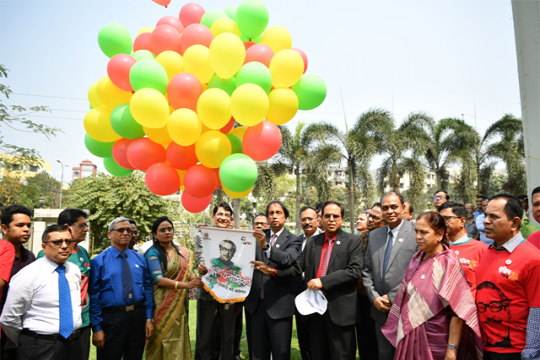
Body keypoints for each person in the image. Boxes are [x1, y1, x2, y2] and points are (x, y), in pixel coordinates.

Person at [252, 201, 364, 360]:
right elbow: (296, 268)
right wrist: (273, 271)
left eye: (335, 216)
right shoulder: (312, 242)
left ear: (342, 218)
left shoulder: (353, 241)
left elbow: (354, 271)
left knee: (341, 355)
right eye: (327, 216)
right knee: (317, 354)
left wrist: (323, 281)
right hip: (314, 310)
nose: (331, 219)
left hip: (339, 311)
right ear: (321, 219)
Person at [382, 212, 483, 359]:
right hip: (411, 333)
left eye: (424, 232)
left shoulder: (448, 263)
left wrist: (452, 349)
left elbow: (458, 311)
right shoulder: (417, 258)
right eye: (416, 231)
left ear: (440, 234)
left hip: (435, 341)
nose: (418, 236)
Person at [0, 224, 83, 360]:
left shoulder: (74, 270)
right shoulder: (28, 275)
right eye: (57, 242)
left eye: (68, 241)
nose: (64, 246)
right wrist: (28, 339)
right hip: (40, 346)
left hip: (73, 344)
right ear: (44, 246)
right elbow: (9, 318)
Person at [475, 193, 540, 359]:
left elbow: (537, 311)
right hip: (486, 349)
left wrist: (530, 353)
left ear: (515, 223)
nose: (486, 221)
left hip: (517, 353)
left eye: (494, 217)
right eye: (486, 215)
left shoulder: (532, 259)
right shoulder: (486, 253)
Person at [89, 217, 155, 360]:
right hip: (111, 319)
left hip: (137, 317)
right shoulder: (98, 261)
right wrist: (97, 328)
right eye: (121, 230)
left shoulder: (139, 259)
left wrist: (149, 318)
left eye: (129, 231)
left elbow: (147, 288)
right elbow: (93, 297)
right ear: (109, 234)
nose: (126, 233)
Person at [362, 192, 418, 360]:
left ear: (403, 208)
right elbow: (367, 270)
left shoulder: (417, 233)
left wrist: (392, 297)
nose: (390, 211)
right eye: (385, 208)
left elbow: (419, 272)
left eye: (394, 207)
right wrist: (374, 297)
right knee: (384, 354)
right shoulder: (374, 235)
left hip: (407, 309)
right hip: (380, 310)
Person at [246, 201, 302, 360]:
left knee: (280, 354)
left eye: (278, 213)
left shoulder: (294, 239)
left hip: (279, 307)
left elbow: (287, 259)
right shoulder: (255, 236)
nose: (274, 216)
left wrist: (266, 246)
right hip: (255, 306)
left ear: (285, 217)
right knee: (257, 354)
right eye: (271, 213)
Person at [36, 209, 92, 360]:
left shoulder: (83, 253)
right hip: (57, 324)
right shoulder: (46, 255)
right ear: (67, 227)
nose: (85, 229)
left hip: (83, 322)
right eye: (81, 226)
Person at [144, 216, 203, 360]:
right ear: (155, 234)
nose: (167, 232)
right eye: (162, 230)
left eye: (169, 229)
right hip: (161, 306)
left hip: (179, 307)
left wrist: (198, 279)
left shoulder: (182, 252)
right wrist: (186, 285)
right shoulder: (153, 253)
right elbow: (158, 279)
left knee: (179, 339)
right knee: (161, 340)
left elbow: (190, 274)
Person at [195, 203, 238, 360]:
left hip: (229, 293)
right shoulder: (202, 236)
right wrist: (201, 265)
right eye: (220, 214)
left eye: (227, 215)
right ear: (213, 216)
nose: (223, 218)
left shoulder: (237, 238)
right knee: (205, 337)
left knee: (228, 337)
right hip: (208, 292)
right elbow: (200, 257)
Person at [0, 205, 35, 360]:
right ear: (4, 228)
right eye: (20, 225)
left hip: (24, 326)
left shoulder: (31, 258)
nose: (26, 229)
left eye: (29, 225)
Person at [356, 202, 386, 360]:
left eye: (375, 217)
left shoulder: (389, 240)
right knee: (365, 339)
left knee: (382, 343)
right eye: (370, 216)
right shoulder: (361, 237)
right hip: (363, 296)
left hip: (384, 299)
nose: (370, 220)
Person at [293, 206, 323, 360]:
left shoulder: (326, 240)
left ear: (318, 220)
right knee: (303, 335)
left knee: (319, 338)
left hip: (321, 295)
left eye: (310, 219)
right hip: (300, 294)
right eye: (304, 219)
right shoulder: (295, 241)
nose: (307, 222)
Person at [439, 202, 487, 297]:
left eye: (447, 218)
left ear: (462, 221)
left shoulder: (481, 249)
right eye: (440, 219)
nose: (442, 223)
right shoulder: (438, 248)